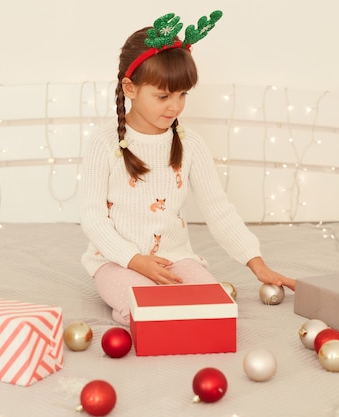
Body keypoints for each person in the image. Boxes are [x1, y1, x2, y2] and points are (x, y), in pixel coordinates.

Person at [79, 10, 295, 325]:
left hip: (175, 259)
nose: (176, 106)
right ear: (130, 88)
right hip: (116, 262)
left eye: (182, 95)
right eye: (163, 95)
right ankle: (134, 308)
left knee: (213, 309)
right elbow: (93, 218)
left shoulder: (190, 144)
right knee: (146, 311)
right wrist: (135, 261)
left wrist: (256, 263)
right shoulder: (104, 143)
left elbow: (218, 210)